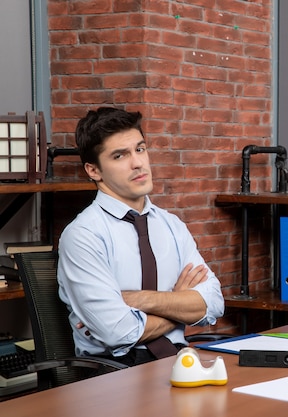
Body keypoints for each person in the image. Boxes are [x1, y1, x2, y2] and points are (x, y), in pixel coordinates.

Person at [58, 107, 224, 366]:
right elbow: (118, 332)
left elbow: (213, 303)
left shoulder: (172, 225)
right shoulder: (83, 236)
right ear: (93, 171)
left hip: (179, 362)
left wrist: (138, 299)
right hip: (115, 372)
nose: (137, 163)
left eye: (140, 149)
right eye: (119, 155)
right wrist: (178, 304)